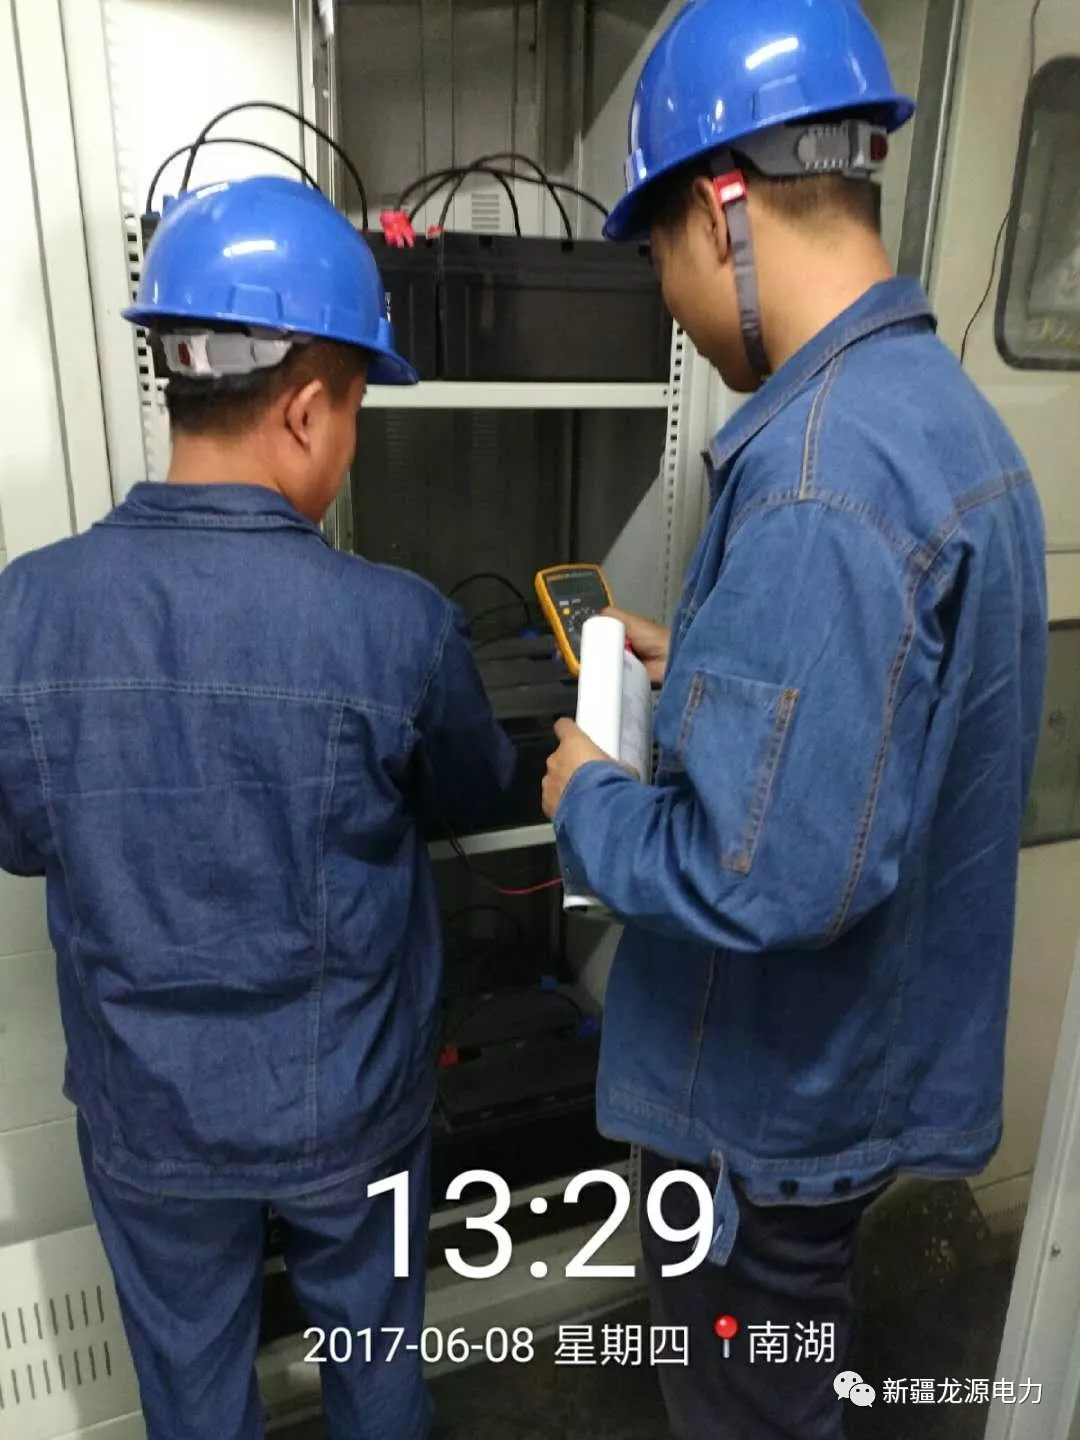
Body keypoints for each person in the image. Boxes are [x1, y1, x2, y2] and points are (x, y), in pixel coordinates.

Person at [541, 2, 1048, 1436]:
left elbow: (761, 873)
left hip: (763, 1121)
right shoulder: (938, 420)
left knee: (748, 1408)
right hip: (849, 1085)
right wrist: (705, 654)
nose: (672, 305)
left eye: (657, 259)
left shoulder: (822, 475)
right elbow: (876, 732)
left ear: (721, 211)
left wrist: (589, 794)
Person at [0, 174, 514, 1440]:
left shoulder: (29, 610)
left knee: (192, 1403)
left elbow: (20, 838)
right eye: (355, 415)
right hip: (352, 1108)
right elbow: (475, 790)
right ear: (304, 408)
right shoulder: (397, 624)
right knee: (375, 1371)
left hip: (148, 1118)